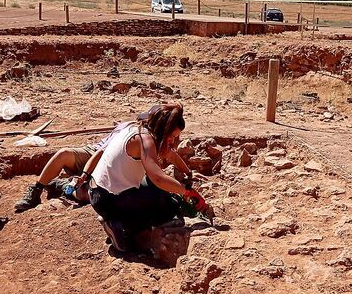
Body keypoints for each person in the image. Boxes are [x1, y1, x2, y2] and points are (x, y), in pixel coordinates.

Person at [87, 103, 208, 251]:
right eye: (172, 136)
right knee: (163, 204)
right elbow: (158, 178)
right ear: (163, 130)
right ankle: (120, 226)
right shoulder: (145, 140)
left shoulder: (135, 127)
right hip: (108, 200)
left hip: (97, 191)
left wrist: (187, 172)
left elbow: (170, 154)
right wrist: (187, 192)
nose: (173, 141)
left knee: (156, 190)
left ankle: (120, 220)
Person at [14, 105, 165, 212]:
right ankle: (36, 189)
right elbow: (103, 152)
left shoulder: (150, 137)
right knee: (64, 154)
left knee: (92, 194)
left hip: (106, 163)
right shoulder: (135, 131)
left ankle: (61, 186)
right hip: (96, 152)